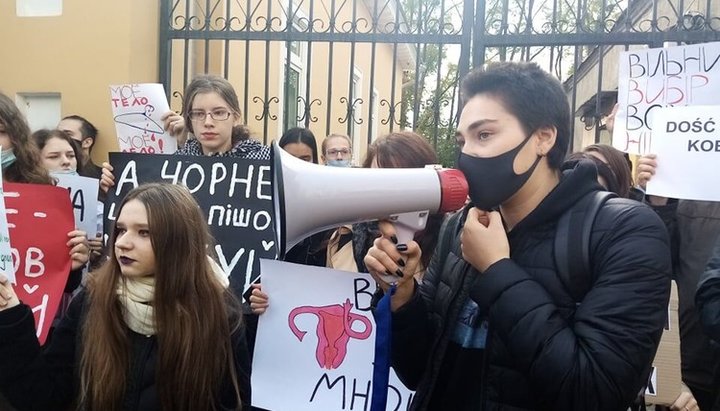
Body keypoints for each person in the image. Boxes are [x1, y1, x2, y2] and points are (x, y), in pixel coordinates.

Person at [363, 62, 672, 410]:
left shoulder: (625, 232)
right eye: (462, 141)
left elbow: (597, 393)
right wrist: (404, 298)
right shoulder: (460, 226)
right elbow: (419, 371)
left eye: (484, 135)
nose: (467, 155)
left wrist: (497, 271)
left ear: (543, 137)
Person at [0, 183, 251, 410]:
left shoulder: (218, 317)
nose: (122, 243)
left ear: (178, 242)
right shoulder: (93, 300)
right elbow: (43, 397)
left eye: (144, 233)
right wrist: (11, 315)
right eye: (120, 230)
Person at [251, 131, 445, 314]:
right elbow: (324, 300)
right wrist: (276, 298)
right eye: (381, 178)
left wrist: (405, 296)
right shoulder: (344, 238)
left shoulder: (446, 247)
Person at [101, 74, 270, 192]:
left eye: (218, 113)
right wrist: (116, 185)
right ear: (189, 119)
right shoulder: (173, 166)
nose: (208, 123)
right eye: (198, 114)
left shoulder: (266, 162)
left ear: (236, 117)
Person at [0, 93, 89, 282]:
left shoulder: (40, 190)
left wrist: (72, 265)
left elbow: (58, 283)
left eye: (0, 132)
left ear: (16, 137)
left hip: (18, 306)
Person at [32, 129, 106, 272]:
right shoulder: (15, 202)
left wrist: (96, 252)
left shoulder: (96, 207)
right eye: (54, 157)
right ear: (34, 162)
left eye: (71, 156)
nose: (66, 162)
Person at [58, 115, 102, 179]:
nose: (58, 138)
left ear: (87, 142)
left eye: (67, 134)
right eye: (57, 133)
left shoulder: (104, 178)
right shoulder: (48, 174)